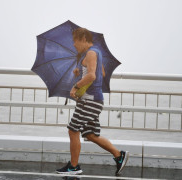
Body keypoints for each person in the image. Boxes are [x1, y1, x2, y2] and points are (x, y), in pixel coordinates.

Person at [56, 28, 129, 176]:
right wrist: (79, 71)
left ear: (83, 38)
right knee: (90, 135)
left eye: (75, 40)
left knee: (73, 129)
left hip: (90, 101)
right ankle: (118, 155)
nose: (74, 44)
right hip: (93, 100)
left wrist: (75, 86)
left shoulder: (90, 53)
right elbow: (100, 73)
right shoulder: (94, 53)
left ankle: (74, 167)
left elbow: (92, 76)